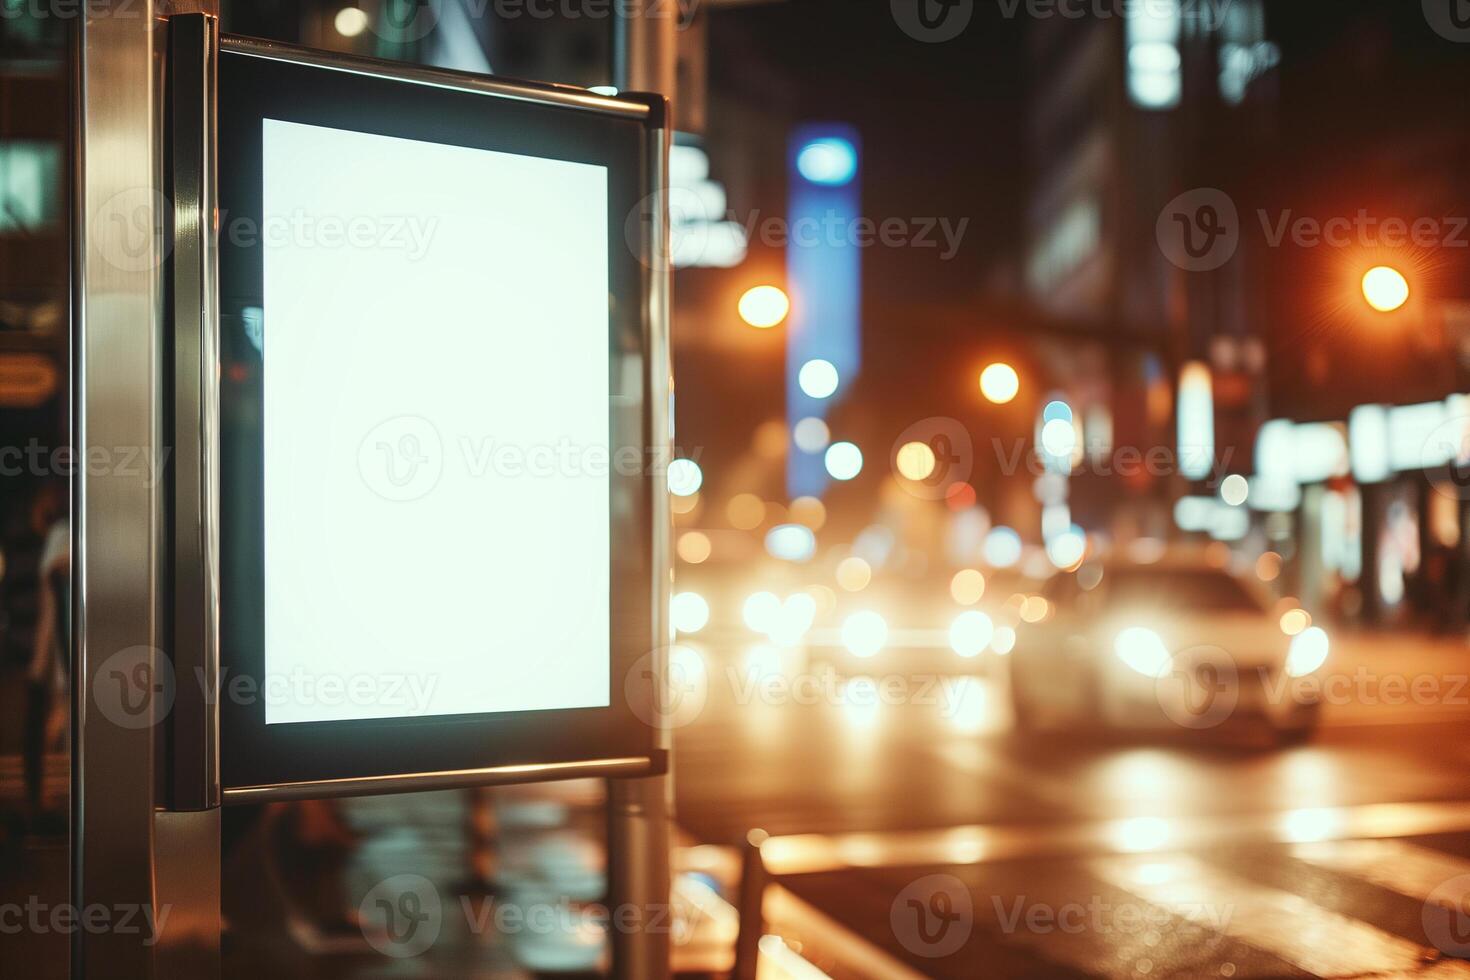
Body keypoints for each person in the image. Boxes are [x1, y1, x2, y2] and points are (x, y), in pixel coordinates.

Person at [23, 484, 68, 832]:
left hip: (51, 649)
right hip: (50, 649)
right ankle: (36, 799)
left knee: (38, 722)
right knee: (39, 723)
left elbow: (55, 575)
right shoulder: (62, 534)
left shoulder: (61, 534)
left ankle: (38, 799)